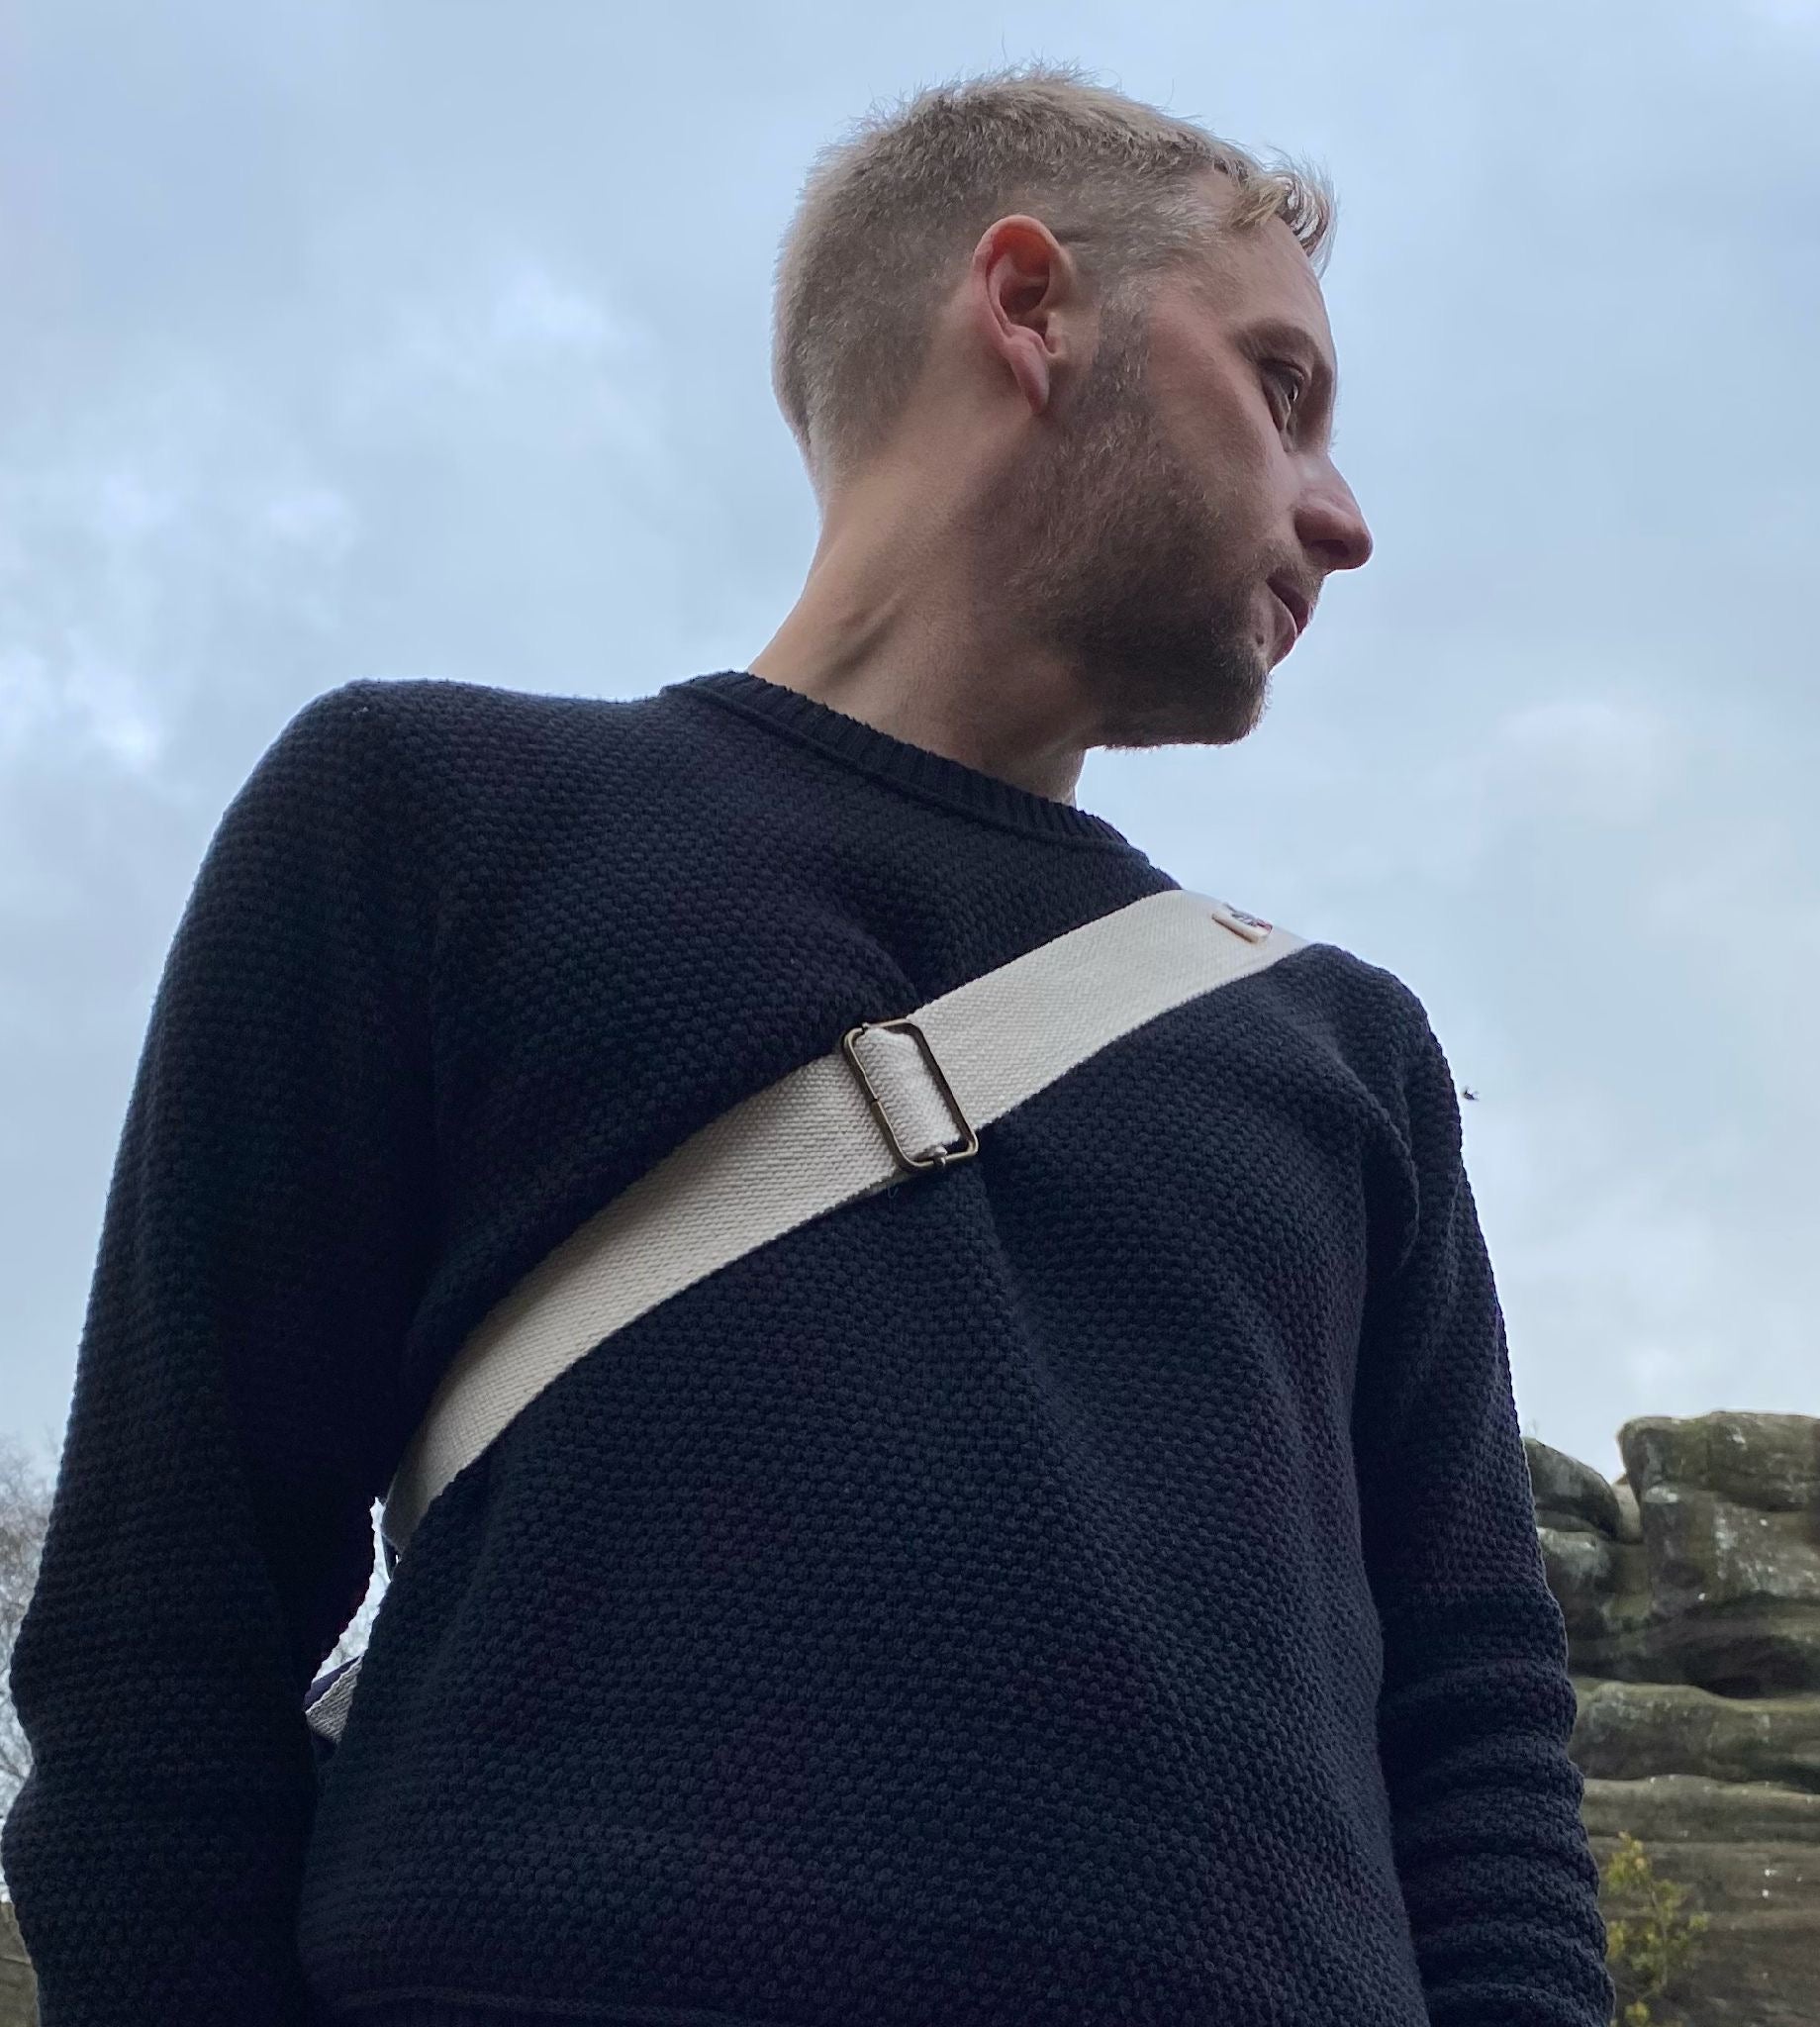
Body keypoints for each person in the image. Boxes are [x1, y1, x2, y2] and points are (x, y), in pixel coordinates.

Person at [3, 58, 1614, 2027]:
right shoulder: (420, 817)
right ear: (1027, 306)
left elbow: (1478, 1749)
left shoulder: (1342, 1052)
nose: (1343, 516)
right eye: (1280, 390)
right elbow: (157, 1652)